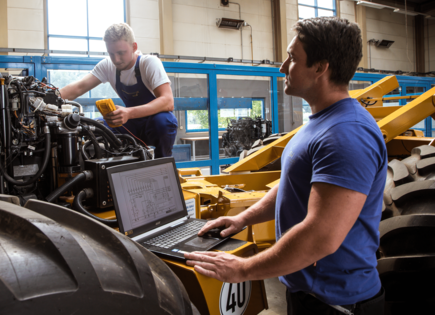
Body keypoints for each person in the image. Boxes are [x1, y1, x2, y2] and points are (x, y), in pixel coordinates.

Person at [184, 17, 387, 315]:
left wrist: (243, 269)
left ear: (320, 67)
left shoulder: (347, 134)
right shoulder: (320, 123)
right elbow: (292, 186)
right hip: (308, 291)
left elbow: (321, 237)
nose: (282, 67)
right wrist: (243, 219)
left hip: (336, 303)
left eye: (292, 58)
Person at [59, 23, 177, 158]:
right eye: (111, 53)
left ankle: (163, 165)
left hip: (154, 123)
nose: (116, 59)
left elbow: (168, 101)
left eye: (121, 53)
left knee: (162, 121)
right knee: (91, 128)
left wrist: (129, 113)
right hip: (131, 123)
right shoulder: (108, 65)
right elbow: (79, 87)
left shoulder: (148, 63)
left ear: (134, 47)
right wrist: (49, 98)